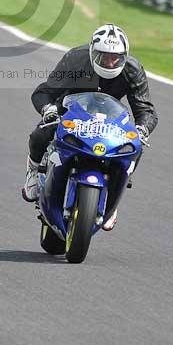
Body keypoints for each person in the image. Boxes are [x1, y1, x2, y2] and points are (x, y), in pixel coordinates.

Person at [22, 24, 158, 230]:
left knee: (134, 145)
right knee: (41, 133)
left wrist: (142, 129)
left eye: (116, 57)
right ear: (93, 52)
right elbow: (43, 92)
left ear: (125, 56)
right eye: (104, 57)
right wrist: (48, 109)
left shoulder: (133, 69)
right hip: (71, 111)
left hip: (110, 119)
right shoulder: (75, 60)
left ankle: (113, 196)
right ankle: (33, 171)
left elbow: (146, 110)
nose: (110, 62)